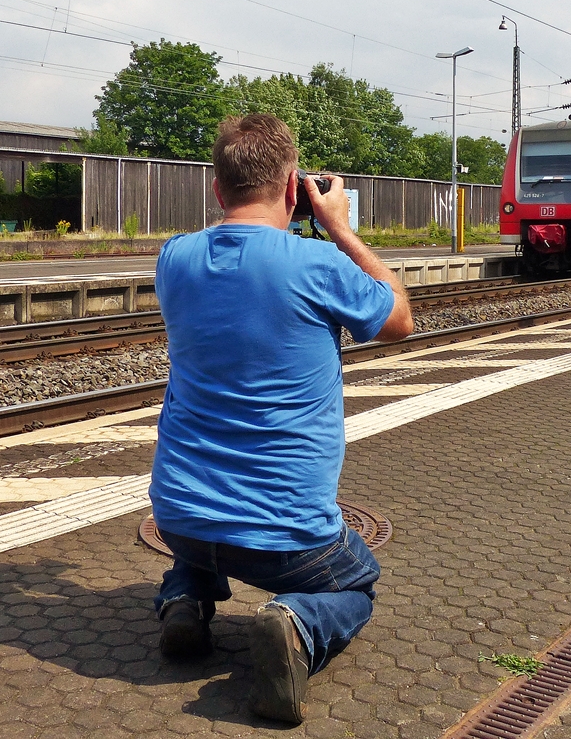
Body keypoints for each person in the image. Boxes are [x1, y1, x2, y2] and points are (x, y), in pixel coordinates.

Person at [149, 113, 413, 724]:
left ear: (217, 189)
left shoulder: (174, 259)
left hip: (177, 518)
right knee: (357, 583)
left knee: (205, 537)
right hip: (287, 539)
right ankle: (296, 624)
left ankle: (185, 600)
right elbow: (399, 319)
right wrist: (339, 227)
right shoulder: (317, 264)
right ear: (294, 188)